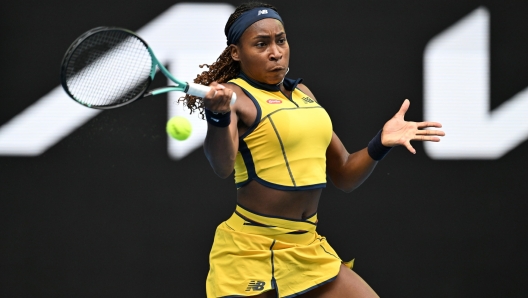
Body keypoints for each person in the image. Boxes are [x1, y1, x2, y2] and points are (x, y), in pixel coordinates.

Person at [181, 2, 445, 297]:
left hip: (306, 246)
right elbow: (222, 165)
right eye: (261, 44)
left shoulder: (303, 94)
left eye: (280, 40)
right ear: (236, 53)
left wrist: (379, 143)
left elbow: (344, 173)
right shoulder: (236, 97)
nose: (276, 52)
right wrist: (217, 118)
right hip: (250, 249)